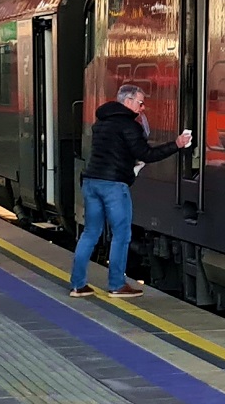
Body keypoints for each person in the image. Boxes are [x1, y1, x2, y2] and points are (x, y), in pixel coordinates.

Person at [70, 84, 190, 298]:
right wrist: (176, 144)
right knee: (121, 234)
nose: (142, 108)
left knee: (90, 233)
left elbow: (112, 152)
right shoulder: (129, 126)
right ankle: (117, 285)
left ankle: (78, 285)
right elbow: (147, 154)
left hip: (91, 182)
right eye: (140, 103)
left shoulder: (101, 123)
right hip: (113, 186)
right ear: (127, 101)